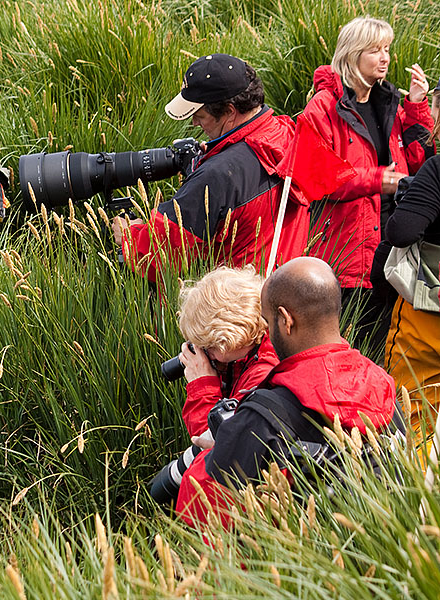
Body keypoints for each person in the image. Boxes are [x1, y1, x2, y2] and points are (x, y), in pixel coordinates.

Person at [174, 257, 400, 530]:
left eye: (268, 321)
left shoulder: (266, 412)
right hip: (375, 538)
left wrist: (203, 389)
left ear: (286, 320)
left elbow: (207, 499)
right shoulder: (384, 386)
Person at [301, 17, 434, 359]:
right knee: (350, 347)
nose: (385, 58)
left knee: (387, 347)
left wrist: (417, 107)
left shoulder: (389, 101)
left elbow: (422, 165)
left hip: (392, 250)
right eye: (375, 50)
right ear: (352, 54)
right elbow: (317, 176)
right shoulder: (324, 107)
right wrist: (377, 180)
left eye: (387, 49)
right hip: (346, 254)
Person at [112, 54, 308, 280]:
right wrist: (220, 151)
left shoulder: (219, 175)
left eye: (200, 115)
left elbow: (160, 256)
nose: (194, 123)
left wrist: (130, 236)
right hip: (283, 292)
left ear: (230, 111)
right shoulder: (285, 133)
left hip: (235, 306)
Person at [176, 266, 278, 440]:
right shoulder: (256, 349)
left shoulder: (263, 374)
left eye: (209, 346)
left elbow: (215, 441)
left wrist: (203, 384)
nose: (206, 353)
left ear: (227, 337)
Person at [384, 153, 440, 457]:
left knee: (413, 416)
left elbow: (402, 231)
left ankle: (418, 499)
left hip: (428, 317)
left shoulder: (437, 169)